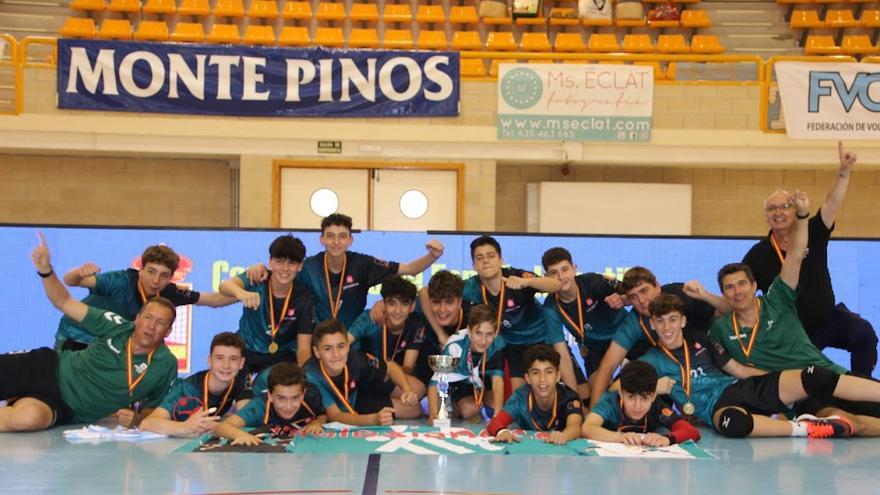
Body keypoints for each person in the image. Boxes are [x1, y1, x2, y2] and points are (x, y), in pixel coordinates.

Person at [0, 233, 177, 432]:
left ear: (168, 331)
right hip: (48, 367)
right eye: (148, 317)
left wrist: (137, 418)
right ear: (137, 318)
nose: (151, 326)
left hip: (66, 406)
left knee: (26, 419)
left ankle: (19, 403)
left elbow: (156, 409)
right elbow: (64, 301)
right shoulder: (115, 325)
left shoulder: (165, 364)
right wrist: (46, 271)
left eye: (160, 322)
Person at [641, 293, 880, 438]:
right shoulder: (650, 360)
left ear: (682, 321)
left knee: (816, 377)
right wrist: (653, 387)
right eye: (660, 321)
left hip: (743, 387)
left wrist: (787, 380)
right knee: (735, 425)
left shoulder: (701, 340)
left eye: (672, 319)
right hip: (717, 408)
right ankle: (805, 429)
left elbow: (739, 370)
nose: (667, 327)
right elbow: (617, 388)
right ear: (652, 324)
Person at [742, 142, 876, 377]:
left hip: (828, 319)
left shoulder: (814, 230)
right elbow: (743, 293)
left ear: (796, 210)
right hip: (792, 332)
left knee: (864, 333)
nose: (778, 212)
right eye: (772, 209)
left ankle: (861, 387)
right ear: (766, 216)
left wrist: (844, 171)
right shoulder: (757, 254)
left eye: (785, 206)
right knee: (803, 380)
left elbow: (833, 203)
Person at [256, 213, 444, 329]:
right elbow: (282, 274)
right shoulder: (308, 267)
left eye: (342, 236)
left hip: (352, 341)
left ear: (350, 240)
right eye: (330, 236)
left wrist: (433, 256)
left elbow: (410, 269)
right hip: (316, 341)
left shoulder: (362, 264)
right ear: (321, 239)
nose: (336, 242)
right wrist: (260, 269)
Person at [588, 266, 724, 407]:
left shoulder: (681, 294)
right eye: (633, 297)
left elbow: (727, 312)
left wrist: (706, 296)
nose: (641, 300)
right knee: (631, 388)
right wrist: (594, 412)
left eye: (644, 291)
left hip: (707, 361)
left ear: (658, 286)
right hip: (670, 372)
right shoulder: (634, 322)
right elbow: (608, 365)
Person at [56, 244, 235, 351]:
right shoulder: (120, 281)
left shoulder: (169, 293)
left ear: (170, 277)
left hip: (111, 344)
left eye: (164, 275)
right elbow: (70, 281)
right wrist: (79, 272)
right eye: (151, 272)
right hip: (77, 337)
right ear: (140, 269)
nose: (156, 280)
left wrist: (253, 291)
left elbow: (214, 300)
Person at [462, 235, 562, 390]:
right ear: (474, 265)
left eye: (490, 256)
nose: (485, 261)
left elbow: (556, 285)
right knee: (520, 397)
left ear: (501, 260)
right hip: (513, 347)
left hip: (540, 340)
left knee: (564, 391)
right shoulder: (472, 286)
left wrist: (527, 282)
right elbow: (428, 293)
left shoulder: (516, 276)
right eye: (479, 258)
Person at [541, 247, 632, 400]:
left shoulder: (594, 282)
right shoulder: (550, 307)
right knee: (597, 395)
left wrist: (623, 299)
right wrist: (573, 400)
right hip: (593, 348)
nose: (561, 277)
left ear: (574, 269)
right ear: (546, 277)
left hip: (623, 337)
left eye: (565, 269)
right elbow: (562, 353)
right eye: (553, 273)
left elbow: (633, 295)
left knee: (635, 381)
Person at [220, 234, 316, 375]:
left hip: (282, 356)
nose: (285, 268)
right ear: (270, 262)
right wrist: (242, 293)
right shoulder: (257, 277)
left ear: (300, 266)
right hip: (247, 350)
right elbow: (224, 286)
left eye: (292, 263)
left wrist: (304, 379)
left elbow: (303, 348)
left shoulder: (304, 298)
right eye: (279, 261)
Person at [304, 319, 420, 425]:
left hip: (357, 393)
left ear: (348, 346)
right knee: (410, 410)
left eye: (341, 346)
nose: (336, 354)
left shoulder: (356, 359)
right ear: (317, 351)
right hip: (338, 412)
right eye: (328, 348)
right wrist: (373, 419)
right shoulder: (311, 375)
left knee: (416, 399)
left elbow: (390, 367)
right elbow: (335, 416)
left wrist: (407, 390)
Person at [140, 332, 251, 437]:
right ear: (209, 361)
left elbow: (245, 415)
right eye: (219, 358)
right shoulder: (188, 388)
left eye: (233, 359)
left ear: (241, 363)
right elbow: (147, 424)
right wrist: (186, 427)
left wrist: (223, 424)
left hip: (196, 443)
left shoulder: (239, 380)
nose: (226, 365)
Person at [347, 276, 428, 406]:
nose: (397, 311)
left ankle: (370, 403)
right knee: (415, 391)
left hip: (391, 378)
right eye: (391, 303)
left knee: (418, 395)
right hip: (366, 376)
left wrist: (389, 371)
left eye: (404, 304)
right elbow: (344, 342)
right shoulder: (370, 318)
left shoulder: (416, 324)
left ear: (412, 306)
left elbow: (408, 368)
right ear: (383, 303)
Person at [582, 360, 701, 446]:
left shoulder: (657, 407)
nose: (637, 406)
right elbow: (587, 428)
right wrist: (619, 437)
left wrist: (668, 439)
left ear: (654, 396)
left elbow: (691, 431)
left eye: (644, 398)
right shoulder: (610, 401)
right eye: (631, 397)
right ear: (621, 393)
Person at [487, 345, 584, 445]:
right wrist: (502, 432)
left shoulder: (569, 397)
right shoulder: (520, 397)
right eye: (535, 373)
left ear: (558, 376)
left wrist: (564, 436)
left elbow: (575, 427)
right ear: (527, 378)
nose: (542, 379)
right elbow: (496, 422)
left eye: (549, 372)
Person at [215, 362, 327, 445]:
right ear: (270, 396)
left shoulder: (312, 397)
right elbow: (222, 426)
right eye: (281, 399)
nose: (288, 406)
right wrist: (240, 435)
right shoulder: (259, 406)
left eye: (295, 398)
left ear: (303, 394)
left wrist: (316, 423)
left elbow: (323, 415)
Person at [427, 304, 504, 423]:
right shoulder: (455, 345)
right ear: (468, 330)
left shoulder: (498, 344)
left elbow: (497, 381)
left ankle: (483, 404)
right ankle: (452, 404)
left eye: (489, 334)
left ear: (495, 332)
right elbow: (435, 382)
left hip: (484, 382)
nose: (483, 341)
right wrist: (433, 415)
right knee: (468, 410)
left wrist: (498, 418)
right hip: (463, 384)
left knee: (496, 405)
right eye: (478, 333)